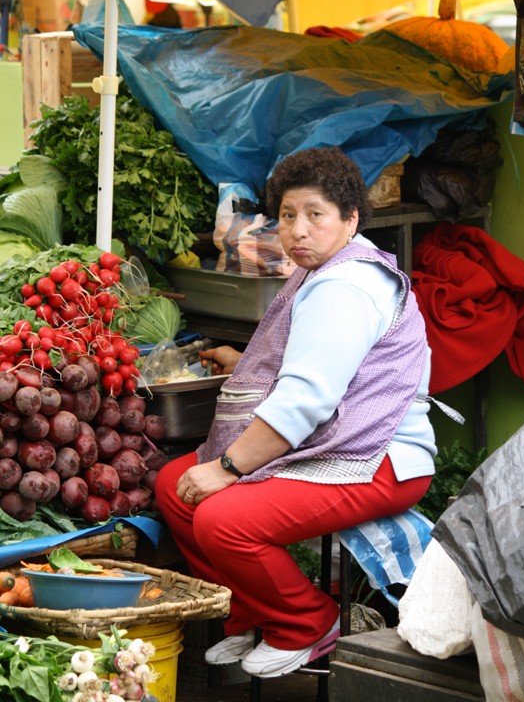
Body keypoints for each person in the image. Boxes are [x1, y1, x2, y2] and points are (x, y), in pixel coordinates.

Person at [154, 146, 437, 679]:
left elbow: (306, 399)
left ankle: (307, 623)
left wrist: (228, 468)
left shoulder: (347, 286)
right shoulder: (321, 272)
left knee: (222, 516)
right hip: (331, 445)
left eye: (315, 214)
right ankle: (253, 616)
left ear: (349, 219)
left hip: (378, 459)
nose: (298, 230)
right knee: (174, 485)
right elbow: (315, 364)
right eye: (288, 215)